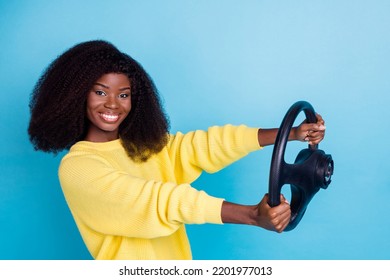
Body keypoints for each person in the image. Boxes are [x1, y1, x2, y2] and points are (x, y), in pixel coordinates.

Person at [28, 40, 326, 260]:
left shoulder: (141, 148)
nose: (113, 104)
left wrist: (291, 135)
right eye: (100, 92)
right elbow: (158, 201)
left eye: (124, 94)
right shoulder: (78, 168)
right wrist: (250, 215)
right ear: (76, 95)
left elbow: (202, 147)